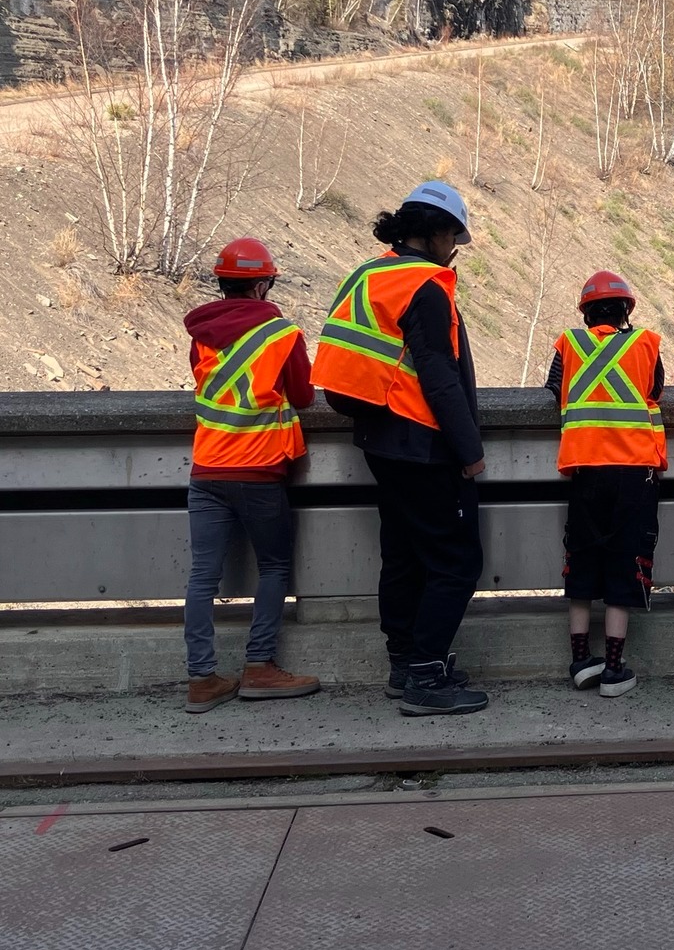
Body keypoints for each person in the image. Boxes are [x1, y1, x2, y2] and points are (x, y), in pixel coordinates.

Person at [312, 182, 487, 716]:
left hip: (379, 436)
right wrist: (470, 450)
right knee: (457, 562)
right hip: (423, 441)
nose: (454, 248)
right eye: (453, 237)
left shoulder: (368, 275)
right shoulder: (426, 287)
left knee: (405, 556)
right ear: (436, 233)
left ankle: (404, 661)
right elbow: (438, 377)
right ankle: (427, 677)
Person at [181, 237, 321, 713]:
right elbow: (303, 397)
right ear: (262, 285)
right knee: (275, 566)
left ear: (222, 284)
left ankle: (202, 679)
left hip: (206, 469)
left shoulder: (202, 334)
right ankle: (259, 667)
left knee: (202, 577)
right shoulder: (282, 334)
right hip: (260, 470)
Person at [547, 270, 667, 698]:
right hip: (634, 471)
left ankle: (581, 662)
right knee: (626, 561)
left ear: (586, 312)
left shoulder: (569, 345)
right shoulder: (645, 343)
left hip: (583, 469)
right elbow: (655, 388)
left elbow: (553, 389)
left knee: (580, 559)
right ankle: (614, 670)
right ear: (625, 312)